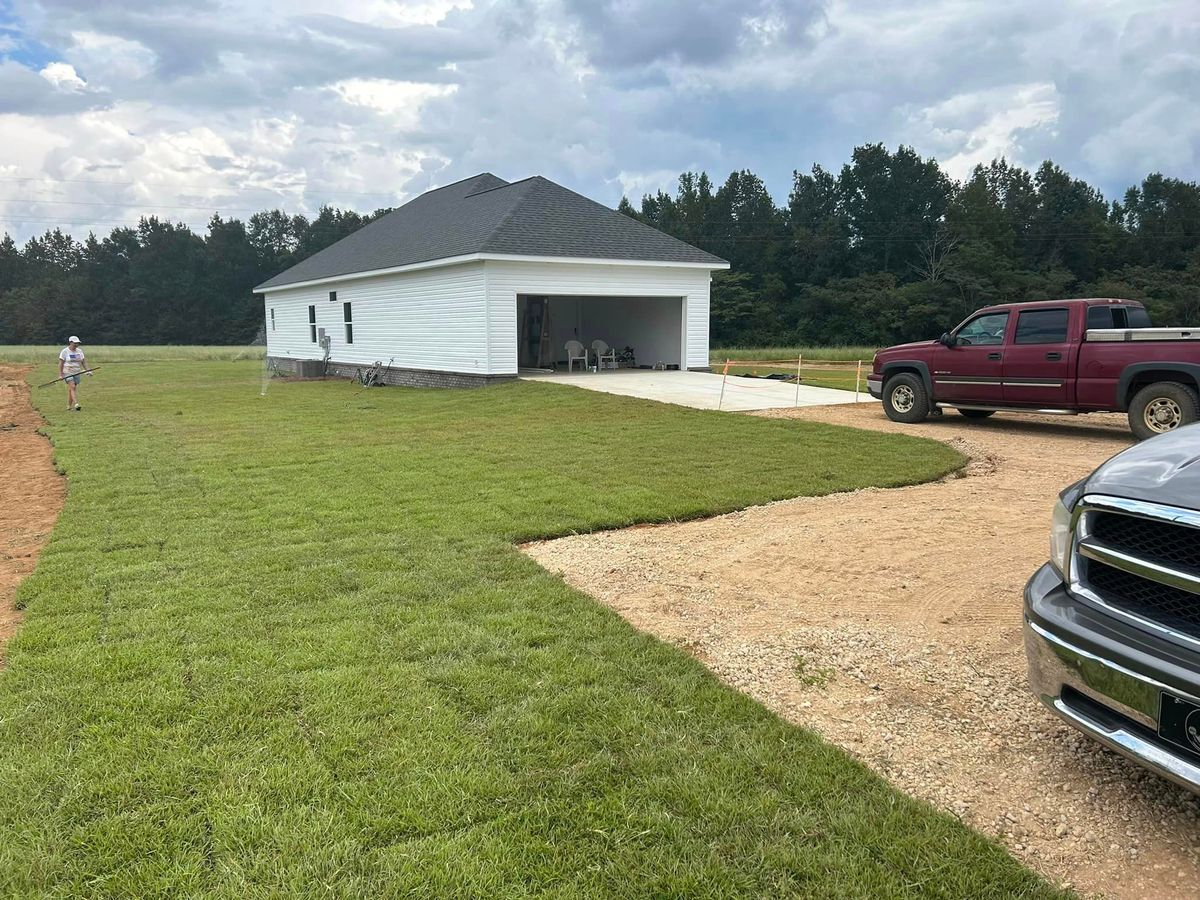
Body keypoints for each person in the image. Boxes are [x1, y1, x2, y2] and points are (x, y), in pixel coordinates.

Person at [58, 336, 88, 411]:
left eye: (77, 343)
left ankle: (68, 406)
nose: (76, 345)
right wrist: (60, 375)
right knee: (73, 387)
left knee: (72, 389)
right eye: (75, 343)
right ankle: (76, 404)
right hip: (67, 371)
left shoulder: (79, 351)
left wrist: (88, 370)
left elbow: (83, 362)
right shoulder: (65, 351)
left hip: (76, 372)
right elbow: (61, 364)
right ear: (70, 342)